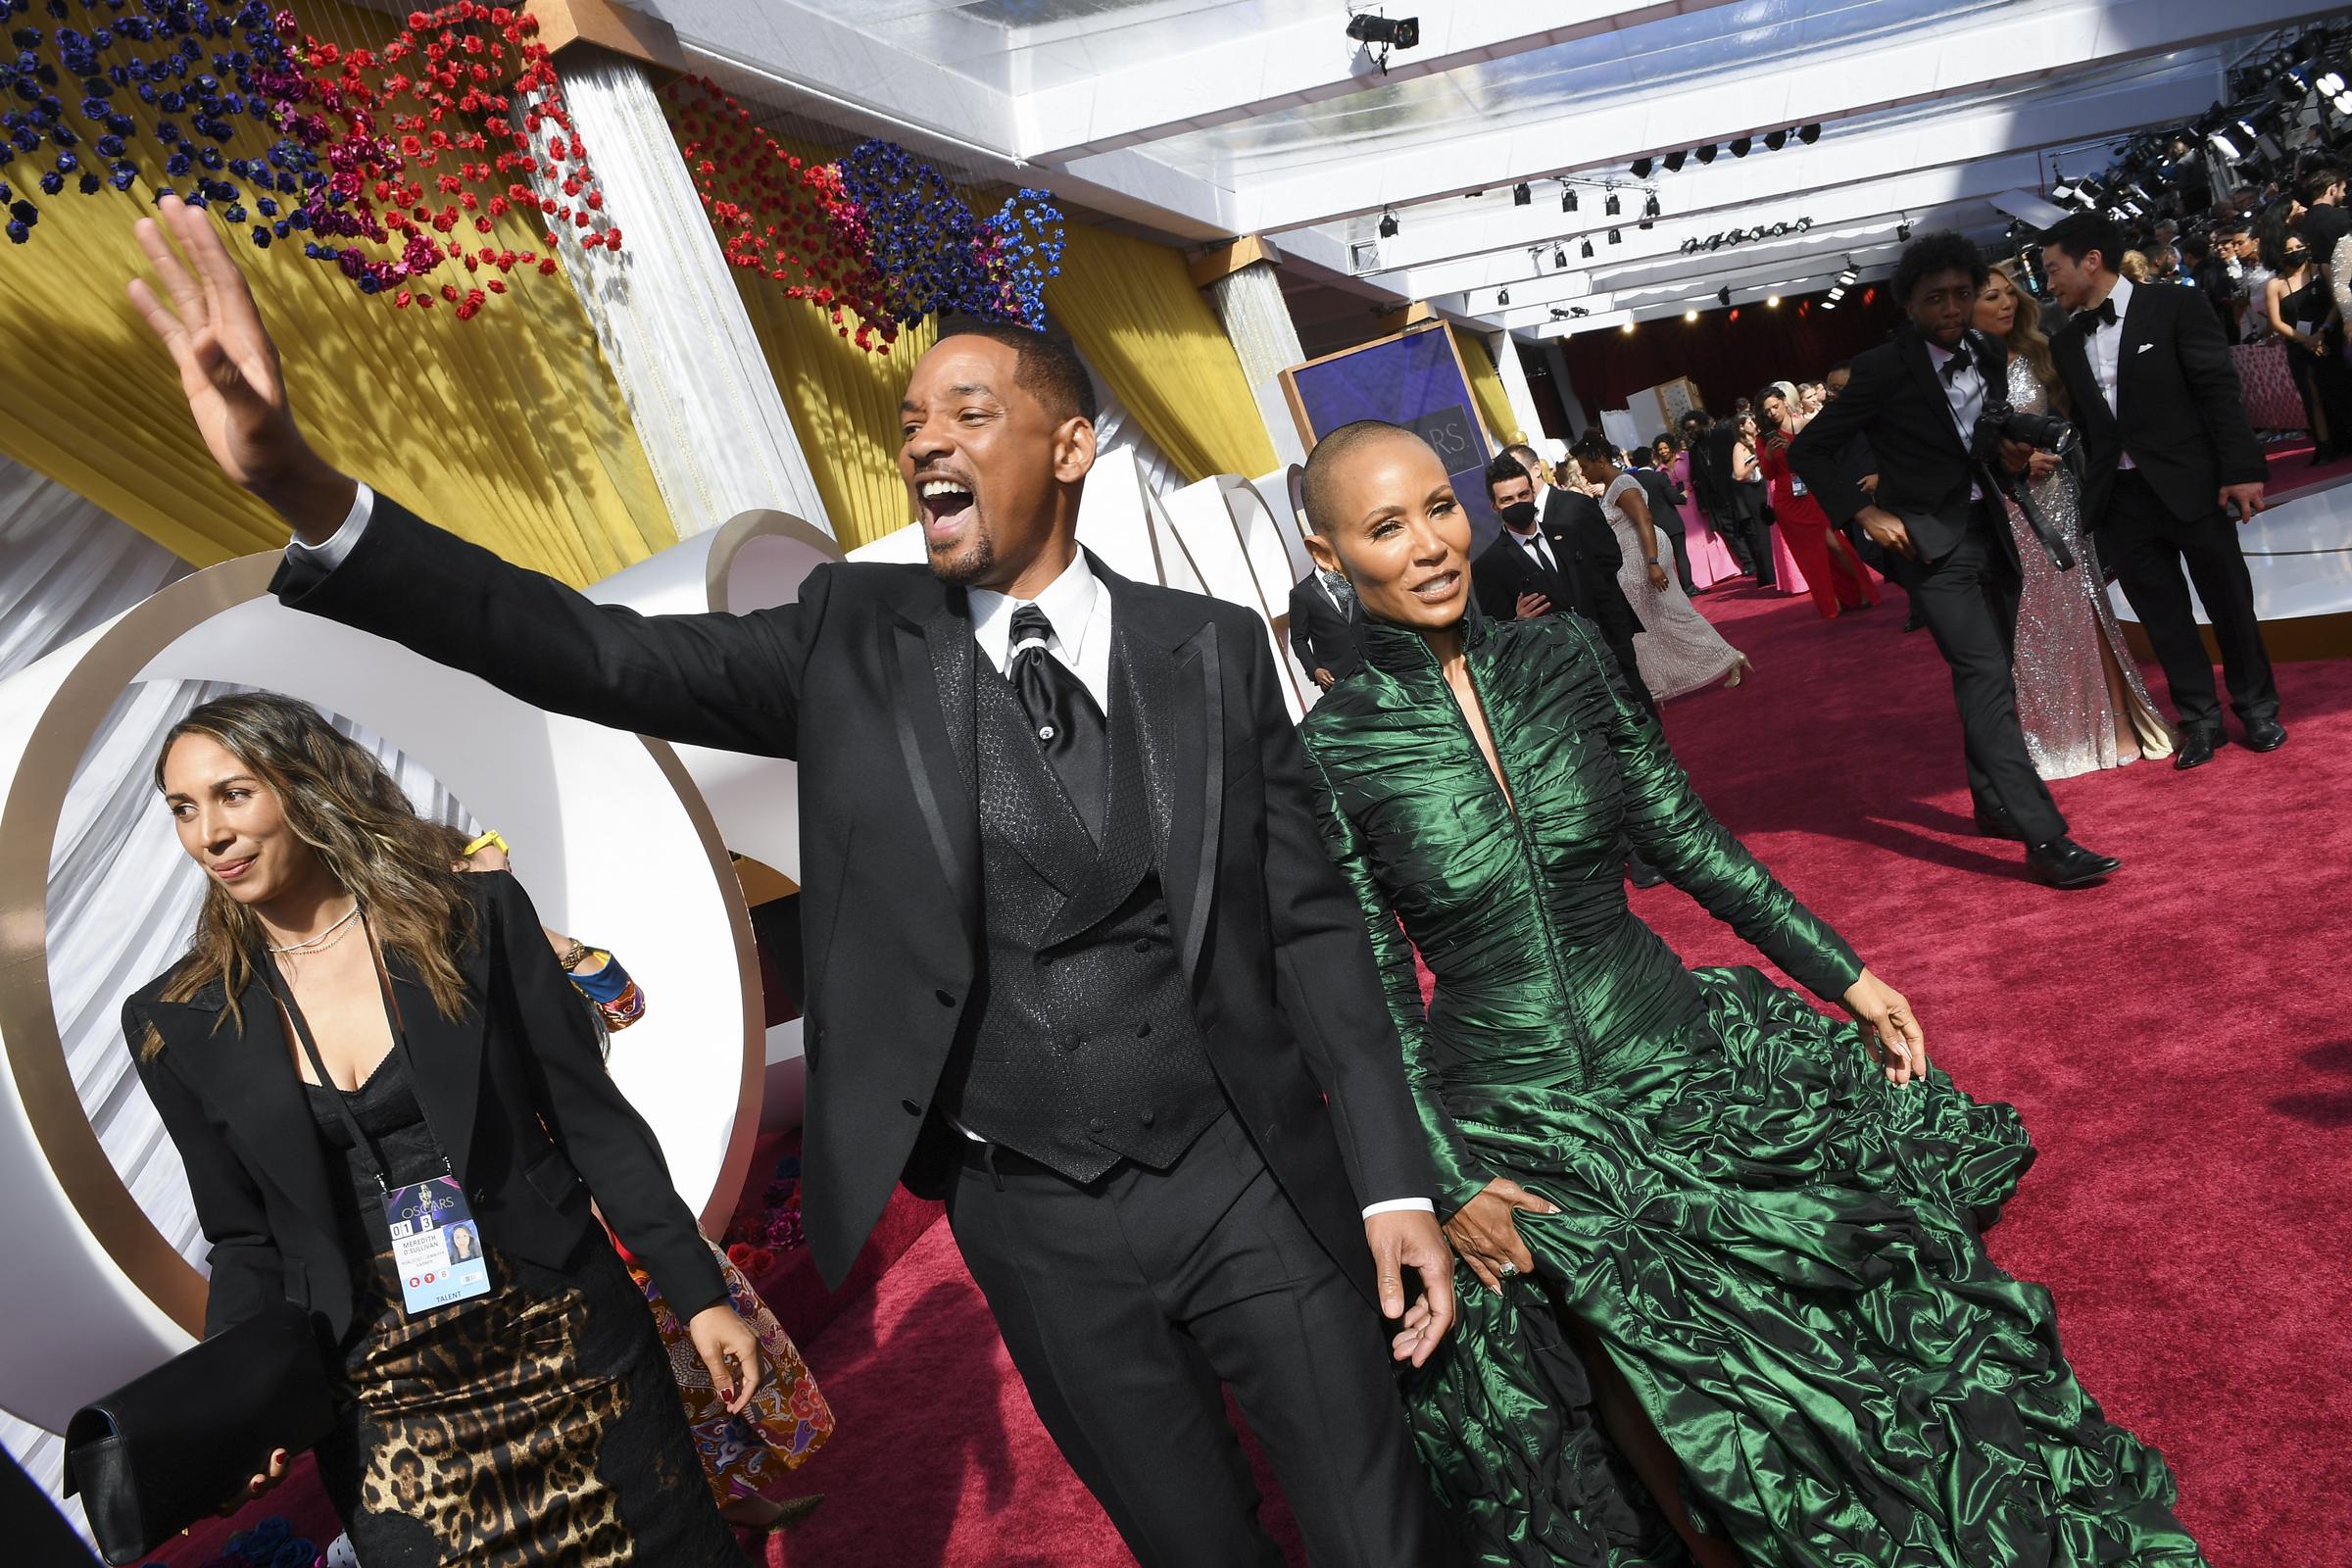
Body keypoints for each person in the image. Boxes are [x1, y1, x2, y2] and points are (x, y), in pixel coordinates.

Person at [125, 192, 1460, 1568]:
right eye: (909, 423)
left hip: (1243, 1171)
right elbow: (589, 651)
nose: (923, 439)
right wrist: (302, 484)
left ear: (1071, 447)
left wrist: (1389, 1184)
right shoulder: (849, 639)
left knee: (1381, 1533)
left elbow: (1314, 935)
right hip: (1036, 1217)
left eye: (967, 412)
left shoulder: (1213, 651)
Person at [1294, 419, 2212, 1568]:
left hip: (1675, 1050)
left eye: (1441, 507)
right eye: (1387, 527)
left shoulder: (1564, 654)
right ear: (1330, 555)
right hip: (1511, 1111)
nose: (1432, 544)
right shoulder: (1326, 752)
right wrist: (1449, 1172)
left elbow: (1683, 837)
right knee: (1612, 1334)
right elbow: (1371, 993)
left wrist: (1848, 973)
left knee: (1873, 1361)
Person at [126, 693, 760, 1564]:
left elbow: (590, 1121)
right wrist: (238, 1410)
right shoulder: (179, 1018)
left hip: (567, 1343)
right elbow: (243, 1238)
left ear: (307, 787)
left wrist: (699, 1294)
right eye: (184, 810)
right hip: (384, 1404)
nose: (210, 834)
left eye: (235, 794)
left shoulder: (471, 921)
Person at [453, 828, 834, 1535]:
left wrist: (526, 923)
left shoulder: (523, 957)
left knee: (691, 1347)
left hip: (616, 1186)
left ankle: (736, 1502)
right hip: (543, 1211)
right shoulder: (440, 989)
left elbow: (624, 1004)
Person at [1789, 231, 2121, 888]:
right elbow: (1811, 451)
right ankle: (2045, 838)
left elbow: (1986, 432)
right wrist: (1865, 513)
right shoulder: (1881, 369)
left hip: (1989, 526)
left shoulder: (1988, 350)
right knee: (1985, 679)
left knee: (1992, 672)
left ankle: (1990, 802)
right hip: (1930, 547)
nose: (1950, 306)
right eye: (1935, 297)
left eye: (1961, 294)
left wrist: (2018, 442)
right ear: (1910, 302)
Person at [2044, 211, 2285, 769]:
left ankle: (2257, 707)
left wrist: (2241, 469)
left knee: (2229, 601)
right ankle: (2200, 720)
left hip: (2194, 485)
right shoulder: (2063, 341)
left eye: (2054, 270)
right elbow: (2089, 423)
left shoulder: (2175, 306)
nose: (2049, 283)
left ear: (2091, 261)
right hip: (2121, 499)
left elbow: (2218, 392)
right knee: (2163, 615)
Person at [1973, 262, 2174, 777]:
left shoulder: (2039, 354)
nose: (2005, 304)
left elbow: (2078, 419)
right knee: (2035, 626)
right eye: (1991, 296)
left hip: (2057, 499)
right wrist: (2005, 463)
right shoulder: (1961, 372)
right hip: (2007, 510)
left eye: (2009, 294)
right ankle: (2060, 733)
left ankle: (2122, 724)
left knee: (2087, 605)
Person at [1567, 429, 1750, 698]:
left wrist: (1652, 563)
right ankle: (1658, 683)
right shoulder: (1613, 486)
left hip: (1644, 554)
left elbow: (1645, 519)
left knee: (1666, 615)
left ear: (1600, 462)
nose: (1583, 473)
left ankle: (1726, 658)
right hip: (1635, 555)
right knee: (1652, 619)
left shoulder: (1621, 484)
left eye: (1585, 466)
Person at [1473, 451, 1653, 714]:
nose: (1518, 503)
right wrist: (1517, 623)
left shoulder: (1568, 536)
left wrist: (1624, 655)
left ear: (1532, 494)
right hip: (1561, 684)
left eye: (1523, 495)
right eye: (1508, 499)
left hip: (1610, 663)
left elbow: (1603, 595)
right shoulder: (1488, 566)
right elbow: (1497, 637)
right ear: (1494, 506)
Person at [1755, 385, 1879, 619]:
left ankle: (1863, 590)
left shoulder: (1802, 424)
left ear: (1784, 402)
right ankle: (1832, 602)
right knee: (1809, 555)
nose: (1772, 412)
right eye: (1767, 410)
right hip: (1787, 502)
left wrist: (1794, 448)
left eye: (1775, 406)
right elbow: (1769, 474)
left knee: (1836, 545)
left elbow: (1819, 456)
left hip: (1812, 492)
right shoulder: (1763, 439)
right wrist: (1770, 456)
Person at [2260, 203, 2352, 461]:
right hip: (2300, 345)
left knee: (2343, 387)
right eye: (2289, 250)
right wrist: (2307, 340)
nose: (2295, 253)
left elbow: (2339, 299)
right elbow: (2276, 322)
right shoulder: (2275, 285)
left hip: (2331, 336)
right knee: (2312, 395)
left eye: (2299, 248)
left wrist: (2323, 331)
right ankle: (2325, 446)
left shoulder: (2321, 270)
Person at [1652, 432, 1740, 590]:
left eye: (1665, 447)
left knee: (1706, 533)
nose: (1663, 451)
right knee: (1687, 542)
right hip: (1678, 508)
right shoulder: (1659, 471)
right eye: (1660, 449)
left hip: (1694, 500)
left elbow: (1700, 473)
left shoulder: (1686, 457)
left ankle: (1723, 570)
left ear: (1672, 447)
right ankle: (1699, 578)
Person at [1622, 445, 1693, 595]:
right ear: (1651, 458)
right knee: (1680, 555)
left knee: (1661, 561)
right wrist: (1683, 497)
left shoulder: (1632, 482)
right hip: (1672, 522)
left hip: (1652, 527)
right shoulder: (1659, 476)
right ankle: (1688, 587)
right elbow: (1673, 497)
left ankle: (1671, 592)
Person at [1287, 564, 1364, 689]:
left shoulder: (1351, 578)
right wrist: (1314, 670)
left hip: (1373, 664)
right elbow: (1298, 639)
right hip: (1338, 677)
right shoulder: (1301, 593)